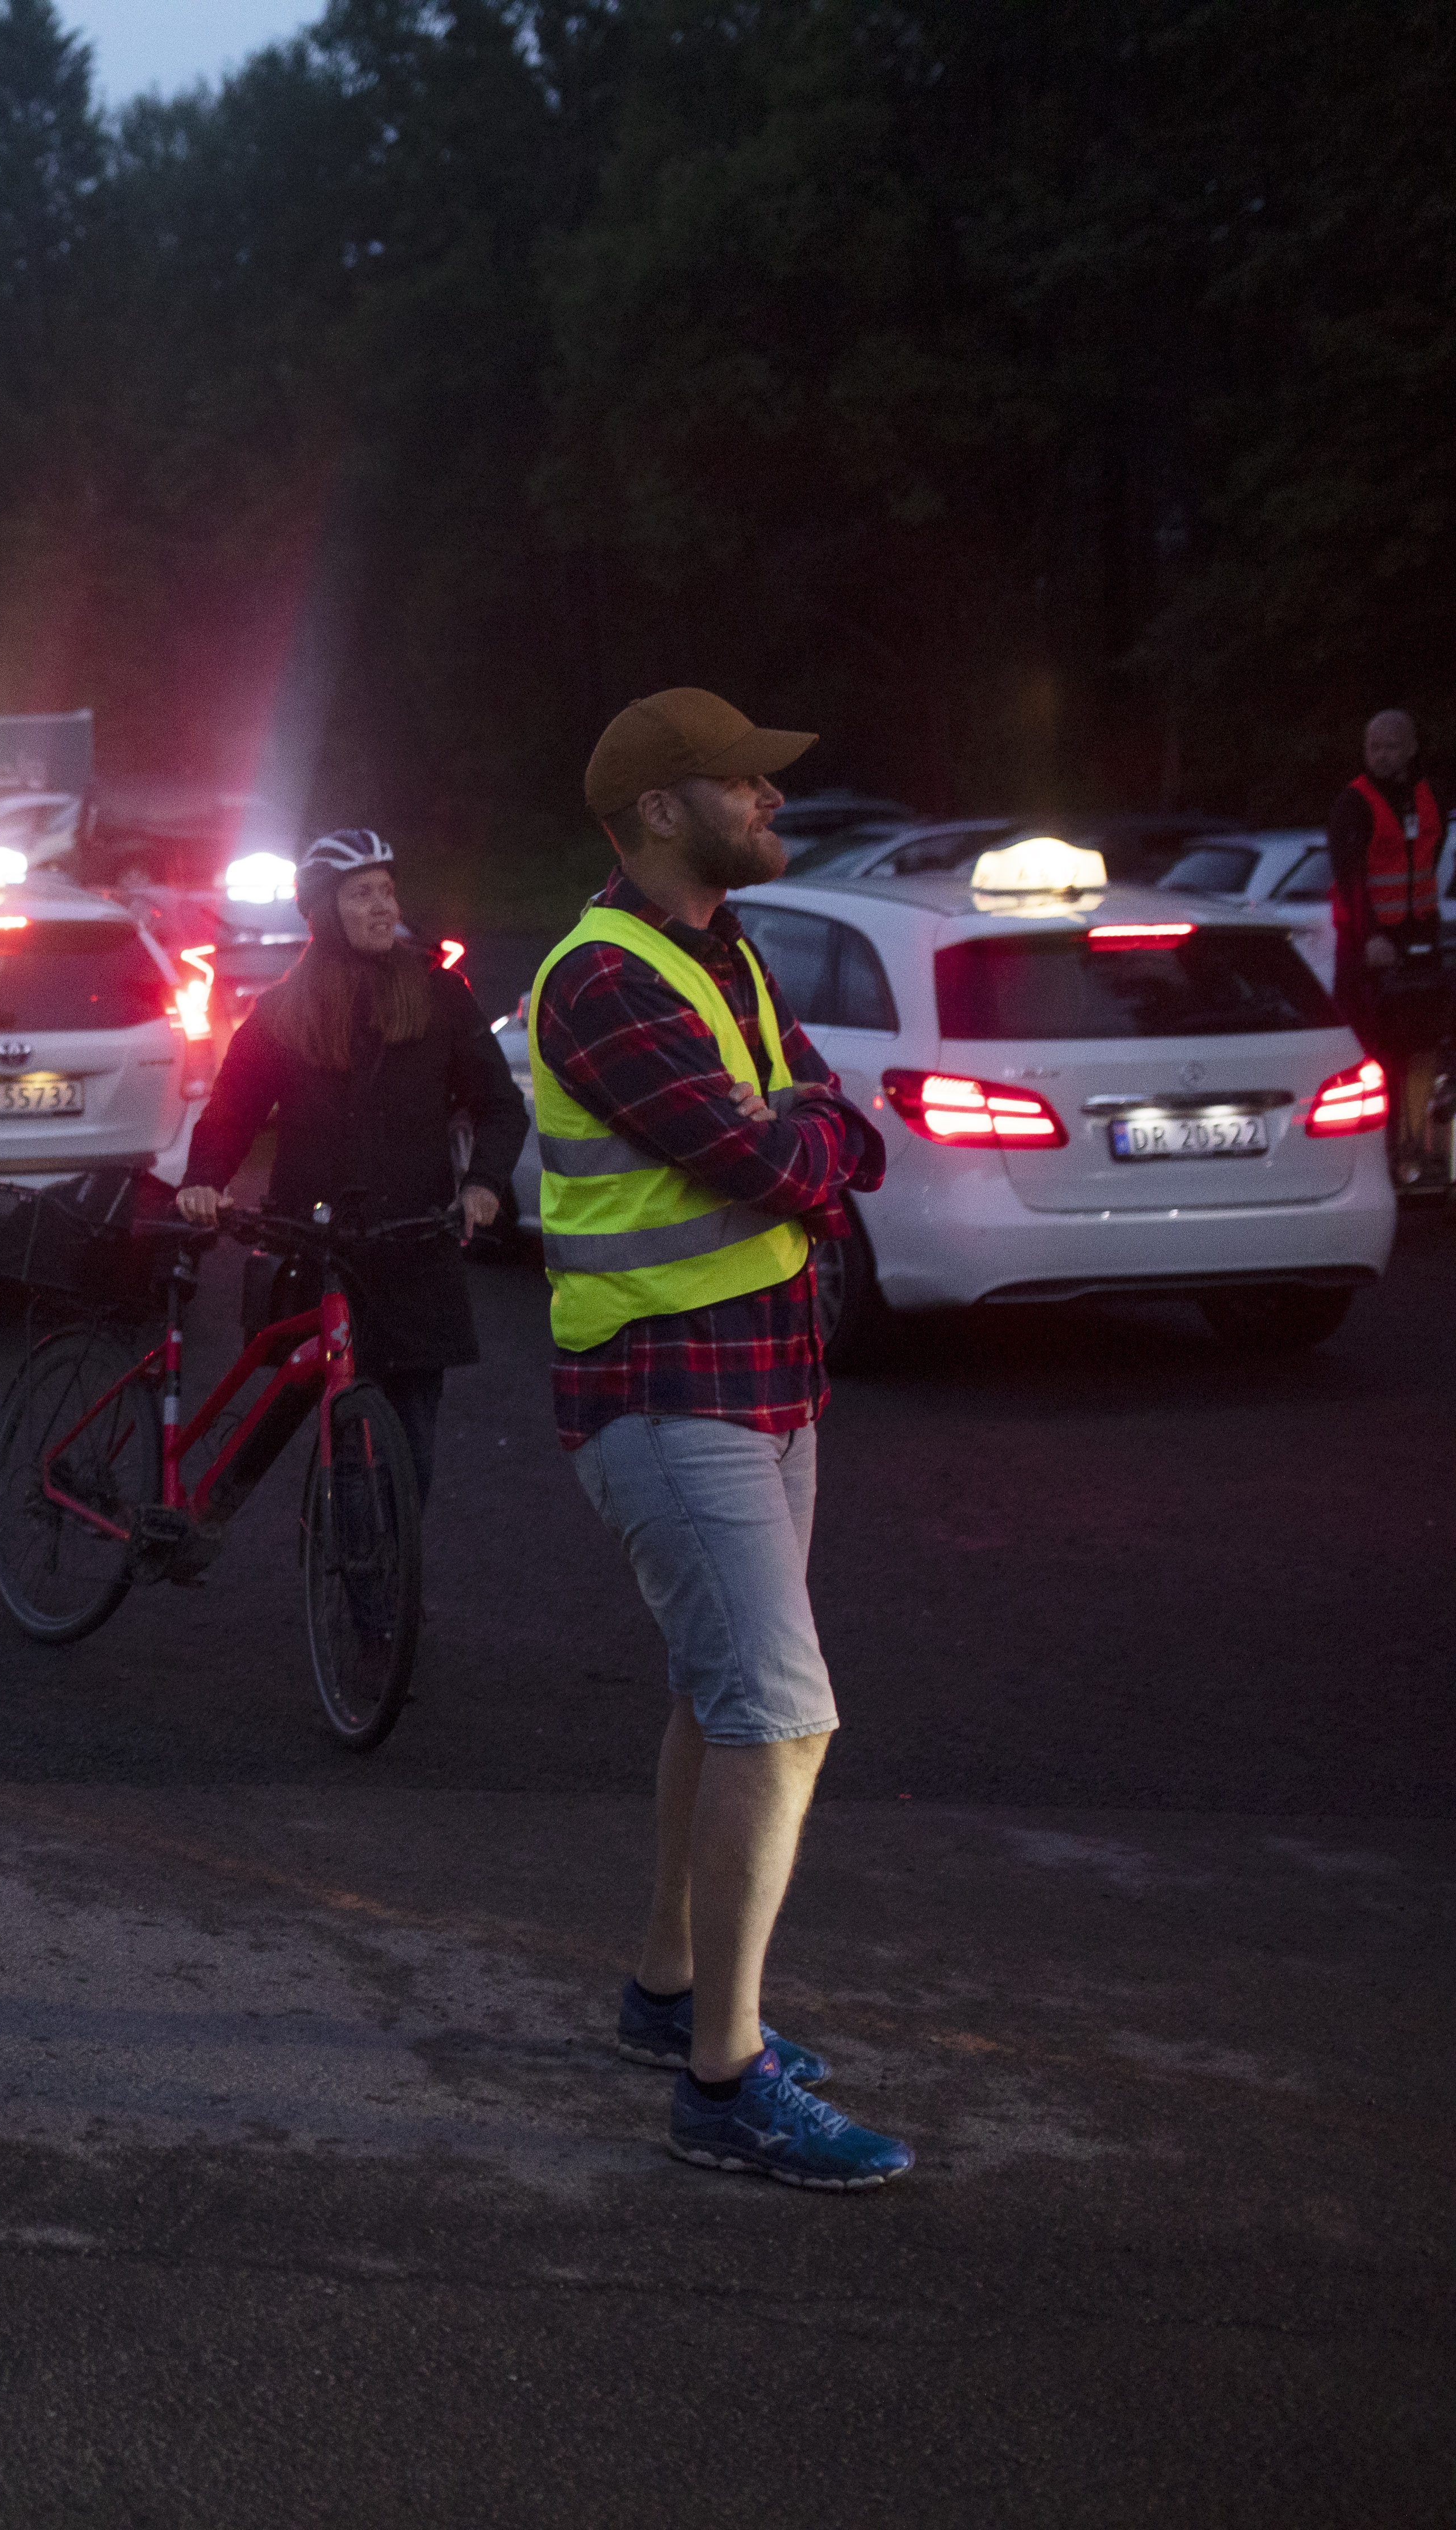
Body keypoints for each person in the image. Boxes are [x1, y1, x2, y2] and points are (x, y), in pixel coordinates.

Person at [536, 688, 909, 2189]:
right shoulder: (605, 977)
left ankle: (668, 1994)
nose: (769, 797)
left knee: (721, 1695)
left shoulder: (717, 950)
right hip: (665, 1385)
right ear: (654, 815)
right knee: (781, 1713)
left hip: (761, 1377)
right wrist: (816, 1148)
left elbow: (834, 1130)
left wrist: (816, 1147)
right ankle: (723, 2083)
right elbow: (775, 1149)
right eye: (739, 781)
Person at [175, 830, 527, 1496]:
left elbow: (501, 1106)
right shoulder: (282, 1010)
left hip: (414, 1241)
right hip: (314, 1245)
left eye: (388, 891)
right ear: (321, 911)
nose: (382, 907)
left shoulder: (439, 996)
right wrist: (202, 1182)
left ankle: (389, 1586)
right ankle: (262, 1522)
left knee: (412, 1444)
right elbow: (231, 1115)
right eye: (361, 894)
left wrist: (482, 1184)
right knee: (306, 1413)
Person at [1327, 709, 1446, 1191]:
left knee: (1420, 1047)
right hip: (1368, 949)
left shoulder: (1431, 795)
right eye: (1374, 746)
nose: (1381, 755)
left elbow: (1431, 856)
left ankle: (1413, 1146)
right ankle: (1371, 1154)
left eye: (1391, 746)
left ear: (1412, 747)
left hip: (1420, 939)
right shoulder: (1354, 803)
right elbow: (1350, 877)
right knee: (1371, 1049)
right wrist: (1370, 936)